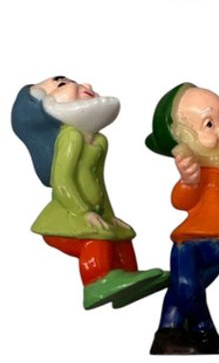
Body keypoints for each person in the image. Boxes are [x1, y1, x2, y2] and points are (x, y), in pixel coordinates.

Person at [11, 76, 169, 309]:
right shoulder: (70, 136)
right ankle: (96, 282)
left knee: (121, 235)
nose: (86, 86)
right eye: (62, 84)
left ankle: (129, 276)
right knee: (95, 236)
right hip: (67, 214)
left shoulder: (99, 140)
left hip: (96, 210)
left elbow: (99, 183)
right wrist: (84, 211)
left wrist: (109, 215)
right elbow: (62, 180)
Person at [146, 83, 219, 354]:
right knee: (186, 285)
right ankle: (201, 332)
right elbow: (181, 201)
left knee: (183, 287)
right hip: (199, 239)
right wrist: (188, 180)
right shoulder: (198, 174)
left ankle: (170, 332)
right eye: (209, 124)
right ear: (185, 138)